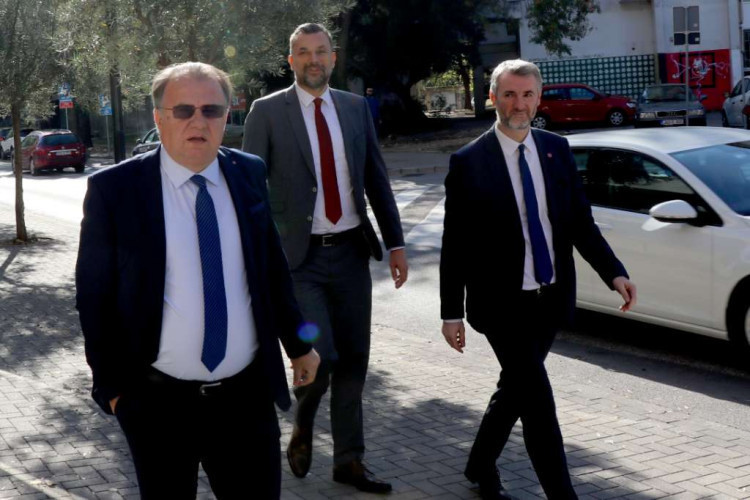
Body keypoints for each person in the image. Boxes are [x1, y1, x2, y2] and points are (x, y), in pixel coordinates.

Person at [76, 61, 320, 499]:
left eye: (211, 110)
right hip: (156, 404)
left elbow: (270, 267)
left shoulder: (248, 173)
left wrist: (298, 343)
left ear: (227, 116)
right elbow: (94, 297)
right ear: (159, 118)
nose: (198, 121)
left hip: (246, 398)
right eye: (183, 110)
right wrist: (112, 388)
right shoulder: (115, 190)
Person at [439, 59, 637, 500]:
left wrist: (614, 272)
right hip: (499, 306)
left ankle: (479, 465)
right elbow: (456, 244)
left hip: (549, 298)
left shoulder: (556, 149)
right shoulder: (469, 162)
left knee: (516, 389)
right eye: (509, 94)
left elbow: (580, 222)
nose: (519, 104)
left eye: (527, 94)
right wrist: (451, 312)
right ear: (493, 98)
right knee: (538, 405)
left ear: (539, 98)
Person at [243, 23, 407, 494]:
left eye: (320, 51)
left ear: (333, 58)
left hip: (352, 252)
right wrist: (256, 256)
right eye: (303, 52)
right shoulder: (267, 112)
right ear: (290, 60)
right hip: (299, 261)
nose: (313, 59)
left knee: (354, 358)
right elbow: (251, 191)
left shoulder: (354, 108)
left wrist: (395, 243)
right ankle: (304, 418)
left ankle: (349, 461)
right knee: (323, 356)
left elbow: (375, 178)